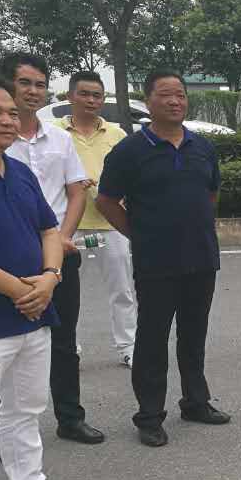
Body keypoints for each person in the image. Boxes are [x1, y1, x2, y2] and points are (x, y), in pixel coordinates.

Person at [97, 71, 231, 447]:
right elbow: (106, 201)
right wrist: (139, 235)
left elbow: (211, 194)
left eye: (181, 95)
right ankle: (149, 415)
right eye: (166, 94)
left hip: (202, 257)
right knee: (152, 339)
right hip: (156, 261)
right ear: (148, 100)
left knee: (194, 334)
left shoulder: (202, 147)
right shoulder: (129, 151)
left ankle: (195, 402)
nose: (175, 101)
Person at [0, 78, 92, 480]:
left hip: (33, 310)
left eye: (10, 113)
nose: (7, 120)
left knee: (25, 406)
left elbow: (48, 229)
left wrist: (51, 276)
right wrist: (19, 288)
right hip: (11, 308)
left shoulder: (18, 172)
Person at [4, 52, 102, 448]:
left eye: (40, 85)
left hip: (59, 255)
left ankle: (70, 418)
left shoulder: (60, 139)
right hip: (8, 261)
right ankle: (5, 432)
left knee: (63, 341)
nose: (33, 91)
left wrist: (63, 238)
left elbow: (76, 191)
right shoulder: (2, 140)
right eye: (25, 83)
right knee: (6, 346)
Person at [56, 71, 138, 370]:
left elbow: (131, 175)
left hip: (111, 224)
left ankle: (129, 347)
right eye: (84, 94)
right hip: (68, 226)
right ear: (70, 96)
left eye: (96, 95)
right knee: (66, 292)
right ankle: (68, 347)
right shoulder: (55, 133)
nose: (91, 100)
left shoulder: (117, 135)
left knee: (122, 289)